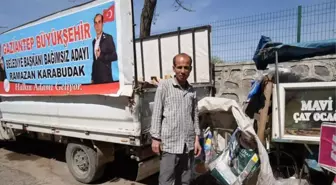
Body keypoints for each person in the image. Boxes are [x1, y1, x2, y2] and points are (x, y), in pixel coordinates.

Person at [150, 53, 202, 185]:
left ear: (190, 69)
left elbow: (195, 115)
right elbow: (157, 113)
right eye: (179, 67)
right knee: (166, 180)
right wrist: (155, 138)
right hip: (170, 143)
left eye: (186, 67)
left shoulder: (192, 91)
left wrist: (196, 139)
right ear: (174, 68)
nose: (183, 71)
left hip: (188, 144)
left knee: (185, 179)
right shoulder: (164, 86)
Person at [91, 13, 118, 84]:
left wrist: (101, 55)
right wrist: (92, 78)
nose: (97, 25)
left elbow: (114, 56)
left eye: (99, 22)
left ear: (103, 24)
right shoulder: (94, 41)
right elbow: (94, 61)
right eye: (96, 23)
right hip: (96, 80)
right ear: (94, 26)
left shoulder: (108, 38)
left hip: (106, 79)